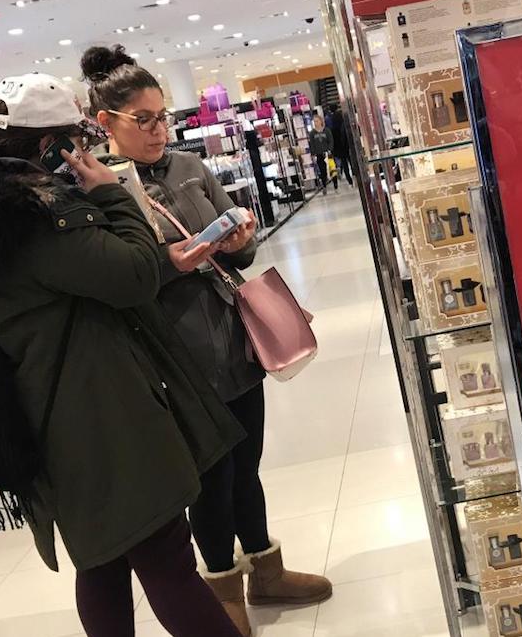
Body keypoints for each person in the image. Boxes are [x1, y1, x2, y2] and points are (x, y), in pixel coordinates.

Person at [0, 73, 244, 637]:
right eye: (75, 139)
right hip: (103, 414)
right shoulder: (36, 219)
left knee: (100, 557)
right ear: (52, 144)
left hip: (40, 413)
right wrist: (112, 196)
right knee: (165, 557)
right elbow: (134, 276)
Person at [81, 45, 332, 637]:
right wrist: (171, 262)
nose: (158, 130)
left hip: (233, 337)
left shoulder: (190, 165)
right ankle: (221, 592)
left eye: (163, 115)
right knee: (210, 482)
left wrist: (239, 235)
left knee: (249, 465)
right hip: (174, 356)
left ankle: (266, 571)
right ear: (106, 123)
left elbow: (241, 247)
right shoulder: (102, 190)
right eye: (143, 120)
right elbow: (116, 281)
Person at [329, 106, 353, 189]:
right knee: (351, 162)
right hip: (346, 147)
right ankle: (354, 177)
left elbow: (333, 140)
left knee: (344, 164)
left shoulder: (333, 128)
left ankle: (349, 180)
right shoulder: (344, 126)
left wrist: (334, 150)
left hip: (339, 149)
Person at [308, 114, 334, 190]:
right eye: (314, 121)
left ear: (321, 121)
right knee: (322, 170)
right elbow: (312, 144)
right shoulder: (312, 133)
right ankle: (324, 185)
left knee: (332, 168)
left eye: (317, 121)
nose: (316, 123)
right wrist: (313, 153)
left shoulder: (326, 130)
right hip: (319, 154)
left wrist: (329, 149)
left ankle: (335, 184)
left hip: (327, 153)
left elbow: (331, 141)